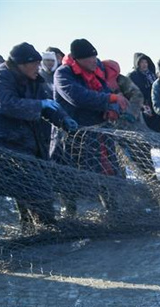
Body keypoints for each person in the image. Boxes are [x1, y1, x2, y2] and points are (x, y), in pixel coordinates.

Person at [0, 42, 75, 231]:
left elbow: (49, 105)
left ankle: (38, 227)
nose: (39, 68)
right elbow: (6, 104)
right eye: (35, 64)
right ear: (22, 64)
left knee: (33, 187)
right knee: (32, 187)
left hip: (32, 141)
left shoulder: (34, 79)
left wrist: (64, 120)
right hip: (8, 144)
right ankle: (42, 226)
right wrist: (39, 105)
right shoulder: (1, 77)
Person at [51, 38, 128, 213]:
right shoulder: (62, 74)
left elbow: (109, 93)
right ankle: (70, 212)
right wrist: (110, 99)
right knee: (69, 175)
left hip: (97, 134)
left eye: (95, 57)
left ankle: (112, 210)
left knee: (105, 172)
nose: (95, 61)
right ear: (77, 59)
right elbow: (78, 97)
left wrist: (113, 109)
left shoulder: (96, 73)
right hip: (72, 136)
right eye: (90, 58)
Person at [102, 59, 157, 181]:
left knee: (142, 154)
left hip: (133, 123)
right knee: (117, 156)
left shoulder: (121, 80)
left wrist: (130, 113)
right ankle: (122, 182)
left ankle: (152, 181)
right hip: (112, 127)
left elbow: (137, 95)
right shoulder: (98, 81)